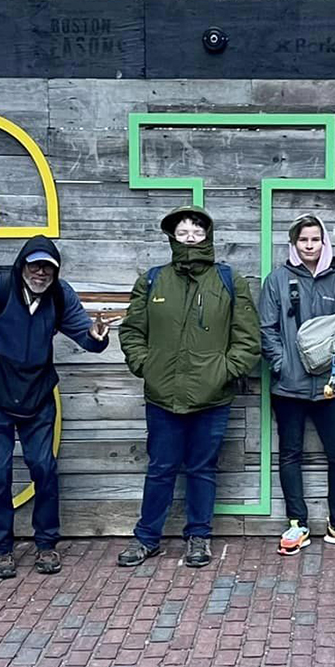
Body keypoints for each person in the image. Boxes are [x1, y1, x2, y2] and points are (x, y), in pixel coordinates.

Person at [0, 235, 110, 580]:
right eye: (34, 265)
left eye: (48, 267)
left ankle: (46, 544)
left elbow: (86, 338)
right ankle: (1, 551)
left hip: (37, 398)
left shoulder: (60, 295)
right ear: (22, 265)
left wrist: (98, 337)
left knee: (43, 467)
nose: (40, 272)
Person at [117, 206, 260, 570]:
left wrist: (225, 371)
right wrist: (145, 365)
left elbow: (247, 338)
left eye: (196, 231)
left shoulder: (229, 280)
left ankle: (199, 536)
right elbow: (132, 331)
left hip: (212, 398)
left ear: (207, 236)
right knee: (161, 468)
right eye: (183, 232)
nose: (190, 237)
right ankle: (147, 537)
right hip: (163, 397)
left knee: (202, 468)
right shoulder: (152, 281)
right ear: (172, 237)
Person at [259, 213, 335, 554]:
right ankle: (297, 524)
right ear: (294, 243)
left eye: (315, 239)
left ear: (324, 242)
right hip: (288, 387)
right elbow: (266, 329)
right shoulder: (277, 280)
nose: (309, 245)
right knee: (291, 454)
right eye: (303, 239)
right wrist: (281, 364)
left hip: (329, 386)